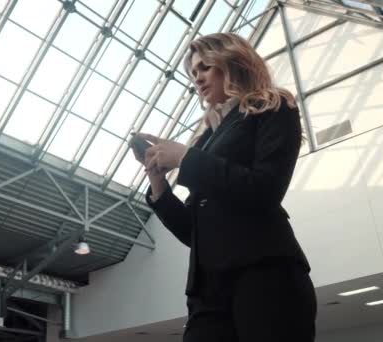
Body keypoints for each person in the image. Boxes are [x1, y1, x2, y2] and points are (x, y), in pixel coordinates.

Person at [131, 33, 317, 341]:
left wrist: (187, 157)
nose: (198, 79)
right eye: (193, 73)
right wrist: (158, 183)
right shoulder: (207, 137)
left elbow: (265, 189)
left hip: (265, 273)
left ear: (230, 61)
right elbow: (195, 232)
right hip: (208, 288)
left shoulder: (272, 105)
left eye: (204, 67)